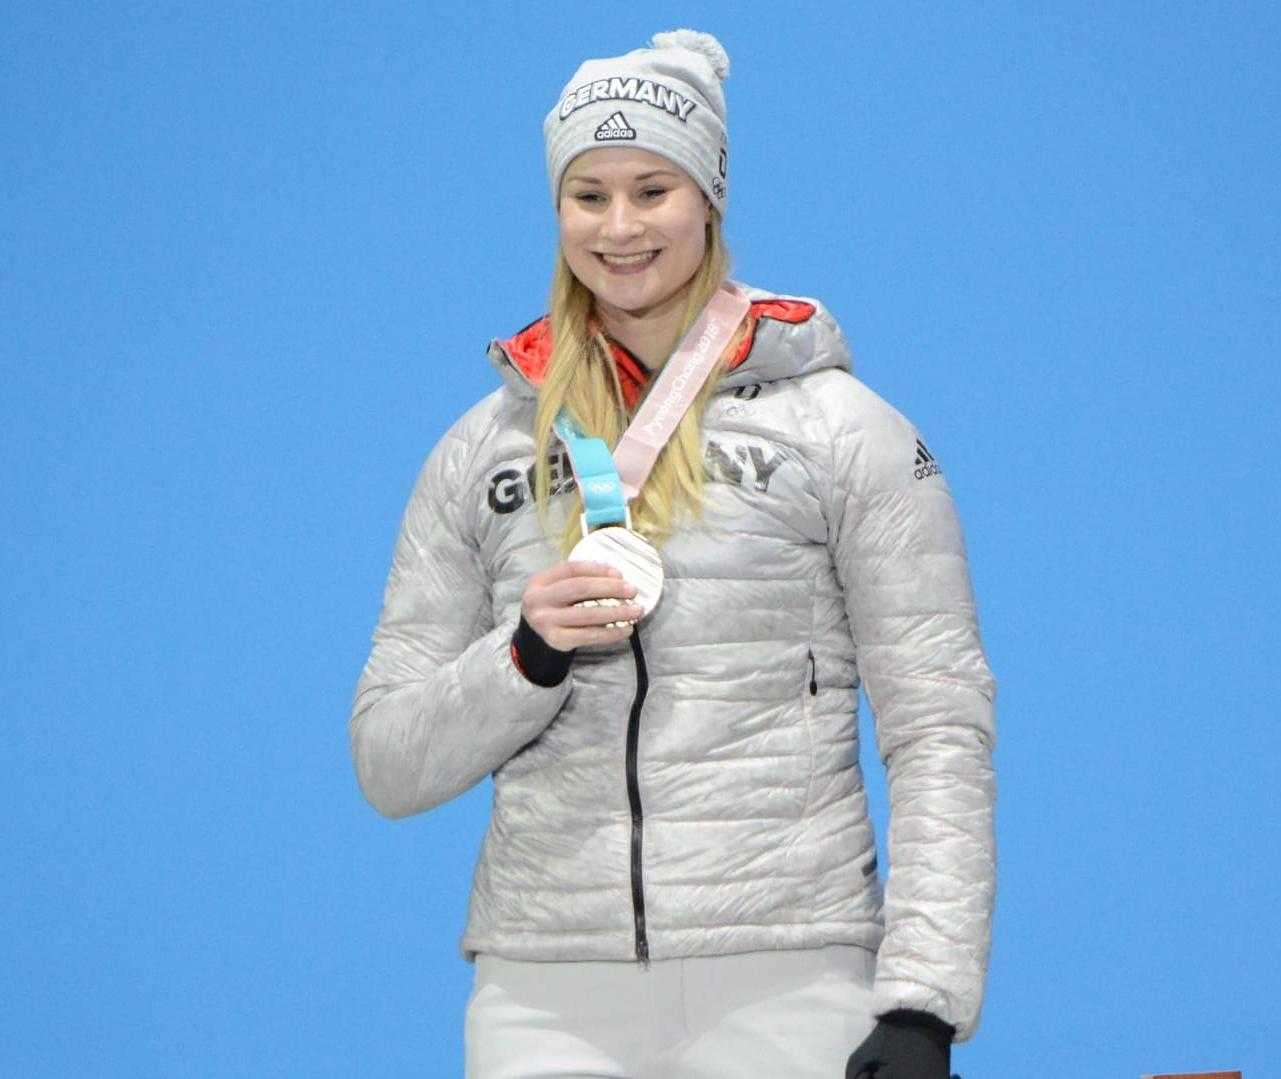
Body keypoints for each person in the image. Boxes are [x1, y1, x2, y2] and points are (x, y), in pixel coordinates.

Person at [348, 30, 995, 1079]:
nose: (619, 226)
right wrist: (525, 659)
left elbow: (939, 722)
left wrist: (923, 998)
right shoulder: (483, 449)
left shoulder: (842, 427)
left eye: (652, 188)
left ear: (710, 197)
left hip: (789, 976)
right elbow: (387, 757)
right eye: (587, 194)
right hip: (542, 990)